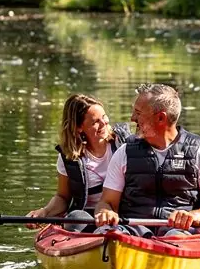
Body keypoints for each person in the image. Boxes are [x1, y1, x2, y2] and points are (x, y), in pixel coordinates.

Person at [95, 82, 200, 235]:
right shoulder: (124, 152)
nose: (132, 118)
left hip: (180, 233)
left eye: (138, 112)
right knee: (112, 235)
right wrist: (106, 212)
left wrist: (195, 215)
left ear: (160, 118)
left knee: (175, 237)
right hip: (132, 231)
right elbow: (106, 202)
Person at [28, 94, 132, 229]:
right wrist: (45, 212)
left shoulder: (124, 144)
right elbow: (63, 197)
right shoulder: (69, 157)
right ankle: (96, 239)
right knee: (75, 217)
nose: (104, 123)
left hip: (121, 214)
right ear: (78, 127)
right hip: (88, 219)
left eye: (104, 116)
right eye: (95, 122)